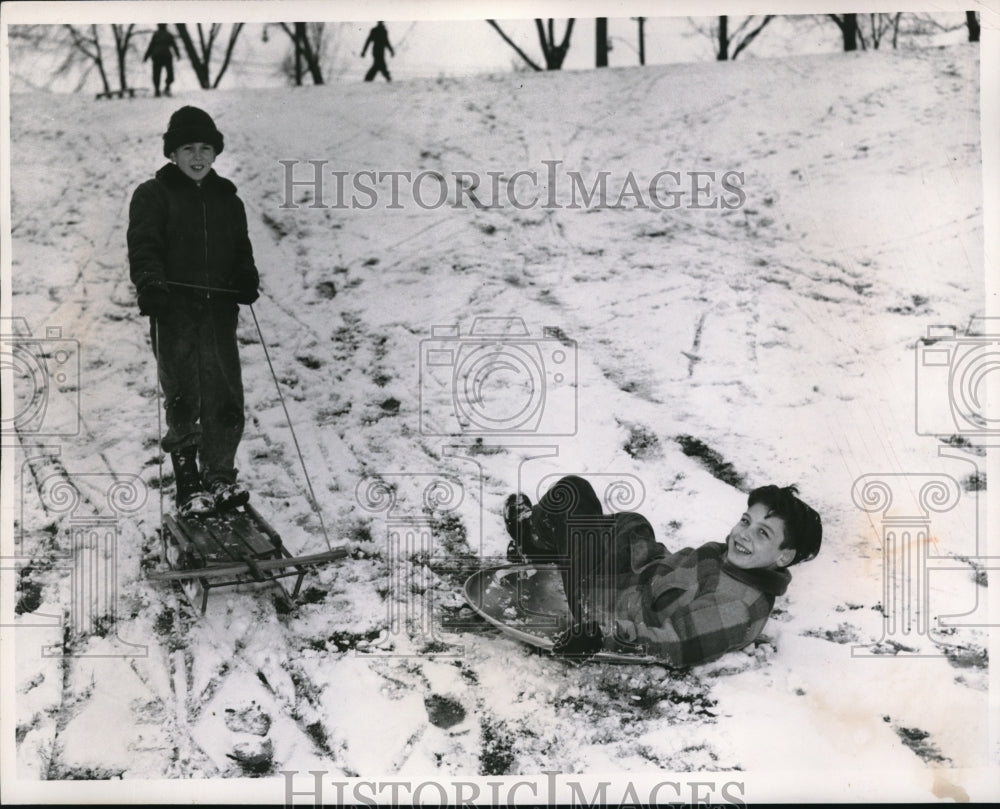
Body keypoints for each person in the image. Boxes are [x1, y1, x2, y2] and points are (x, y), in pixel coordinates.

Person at [503, 475, 822, 666]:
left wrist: (600, 636)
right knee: (632, 524)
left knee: (572, 495)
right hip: (636, 576)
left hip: (604, 604)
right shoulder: (738, 563)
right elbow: (681, 575)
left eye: (763, 533)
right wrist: (641, 550)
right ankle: (546, 543)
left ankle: (537, 541)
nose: (744, 534)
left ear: (784, 556)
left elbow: (675, 642)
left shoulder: (736, 606)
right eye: (745, 521)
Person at [127, 106, 260, 517]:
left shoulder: (227, 198)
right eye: (188, 148)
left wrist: (245, 276)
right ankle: (189, 485)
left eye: (205, 147)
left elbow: (241, 247)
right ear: (172, 154)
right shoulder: (152, 195)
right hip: (174, 310)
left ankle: (220, 477)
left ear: (216, 153)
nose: (198, 156)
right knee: (184, 395)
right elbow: (144, 245)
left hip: (218, 310)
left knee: (224, 393)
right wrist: (150, 283)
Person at [144, 24, 181, 97]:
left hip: (160, 56)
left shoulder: (159, 35)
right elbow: (174, 45)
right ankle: (162, 88)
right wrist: (177, 54)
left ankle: (160, 89)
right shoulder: (166, 35)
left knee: (158, 74)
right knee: (165, 74)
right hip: (164, 56)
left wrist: (146, 56)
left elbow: (151, 46)